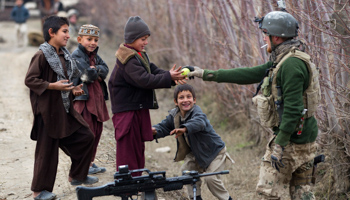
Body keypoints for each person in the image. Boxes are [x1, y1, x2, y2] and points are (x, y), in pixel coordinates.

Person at [187, 11, 320, 199]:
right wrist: (205, 74)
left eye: (265, 34)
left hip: (292, 143)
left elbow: (293, 110)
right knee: (302, 193)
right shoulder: (284, 59)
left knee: (269, 194)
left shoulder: (290, 65)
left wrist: (280, 145)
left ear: (276, 37)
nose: (264, 39)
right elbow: (249, 74)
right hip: (303, 139)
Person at [24, 16, 99, 200]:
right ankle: (38, 191)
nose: (68, 35)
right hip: (47, 111)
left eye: (68, 31)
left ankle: (77, 175)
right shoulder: (42, 55)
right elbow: (30, 80)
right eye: (64, 31)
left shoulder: (64, 55)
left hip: (64, 109)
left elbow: (65, 82)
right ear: (51, 32)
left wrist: (72, 89)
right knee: (47, 152)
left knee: (86, 136)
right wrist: (52, 86)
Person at [108, 16, 186, 176]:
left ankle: (137, 179)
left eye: (146, 39)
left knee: (138, 146)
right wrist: (168, 77)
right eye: (143, 39)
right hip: (126, 112)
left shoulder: (139, 54)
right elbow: (144, 80)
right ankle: (127, 182)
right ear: (132, 38)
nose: (146, 42)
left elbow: (154, 71)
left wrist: (172, 76)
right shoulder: (128, 59)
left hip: (136, 108)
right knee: (128, 149)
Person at [152, 84, 234, 200]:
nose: (185, 100)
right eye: (181, 98)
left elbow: (199, 123)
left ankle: (227, 198)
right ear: (176, 101)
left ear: (194, 100)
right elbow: (163, 127)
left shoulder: (197, 112)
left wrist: (185, 128)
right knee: (187, 172)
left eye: (188, 97)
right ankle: (196, 198)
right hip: (195, 153)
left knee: (211, 179)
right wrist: (152, 131)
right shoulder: (175, 116)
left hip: (214, 152)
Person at [72, 24, 109, 175]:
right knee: (87, 133)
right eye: (89, 39)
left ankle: (90, 162)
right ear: (79, 39)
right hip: (84, 100)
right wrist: (94, 71)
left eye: (95, 40)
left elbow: (105, 69)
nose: (93, 43)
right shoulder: (76, 56)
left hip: (97, 100)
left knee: (97, 130)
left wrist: (96, 70)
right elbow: (86, 75)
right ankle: (82, 167)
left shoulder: (94, 55)